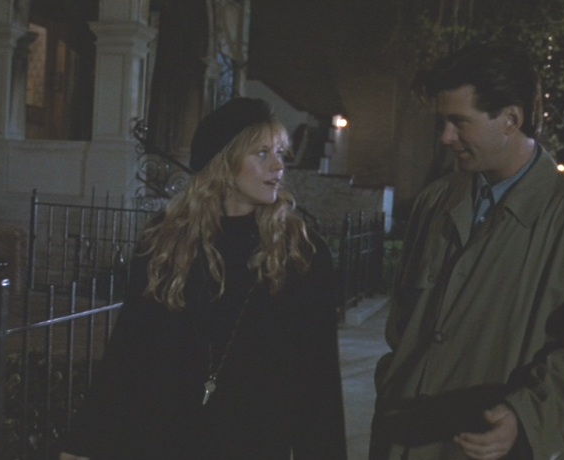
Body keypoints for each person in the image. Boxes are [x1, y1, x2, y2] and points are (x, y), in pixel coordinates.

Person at [368, 42, 564, 460]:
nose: (446, 137)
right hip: (407, 442)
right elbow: (405, 323)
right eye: (443, 122)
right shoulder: (436, 202)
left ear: (511, 119)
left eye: (459, 122)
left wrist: (528, 418)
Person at [58, 97, 347, 460]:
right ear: (223, 162)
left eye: (279, 153)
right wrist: (83, 442)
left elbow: (318, 378)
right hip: (162, 440)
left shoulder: (301, 253)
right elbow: (129, 350)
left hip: (250, 445)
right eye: (261, 153)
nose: (278, 166)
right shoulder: (165, 242)